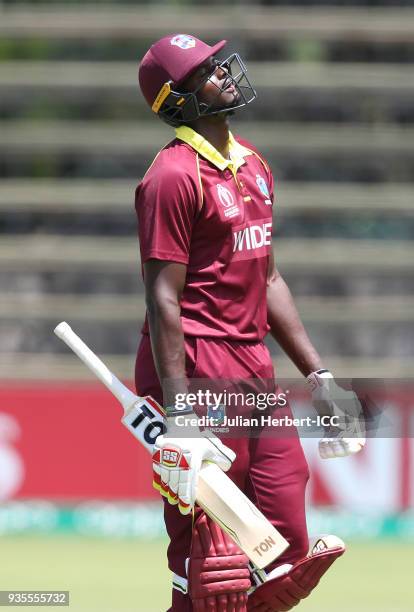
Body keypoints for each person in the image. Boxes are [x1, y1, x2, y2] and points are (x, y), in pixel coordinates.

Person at [135, 33, 365, 612]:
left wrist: (321, 377)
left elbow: (268, 281)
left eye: (219, 62)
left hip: (252, 369)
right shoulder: (171, 177)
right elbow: (164, 299)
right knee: (212, 558)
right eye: (207, 70)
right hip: (197, 369)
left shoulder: (254, 164)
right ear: (179, 98)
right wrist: (180, 413)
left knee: (284, 536)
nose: (225, 72)